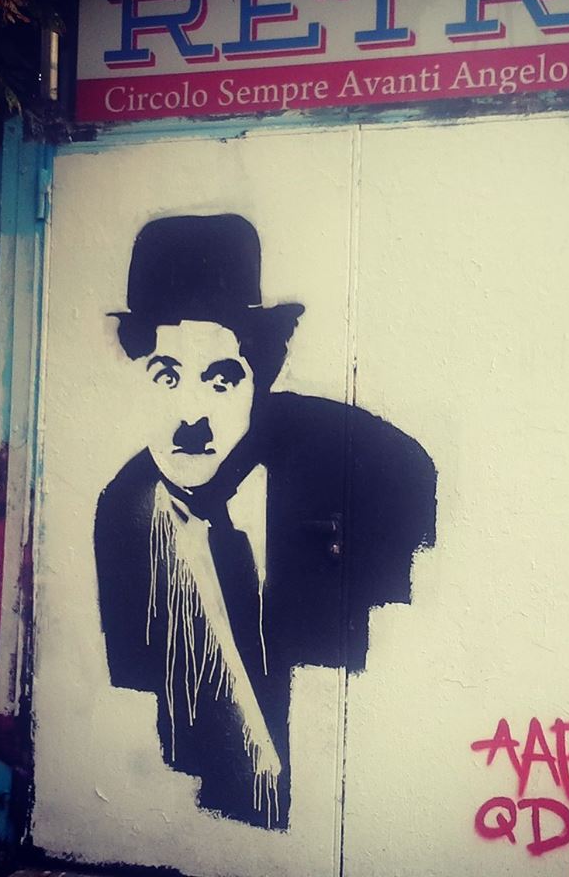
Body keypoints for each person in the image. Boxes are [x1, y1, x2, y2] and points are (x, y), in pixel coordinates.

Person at [94, 214, 437, 829]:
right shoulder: (126, 510)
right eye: (166, 377)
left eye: (221, 381)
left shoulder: (376, 474)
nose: (189, 419)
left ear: (264, 380)